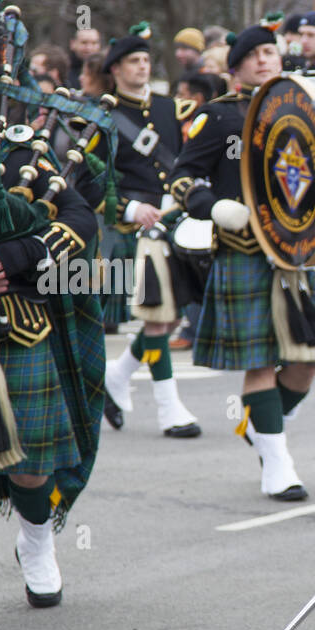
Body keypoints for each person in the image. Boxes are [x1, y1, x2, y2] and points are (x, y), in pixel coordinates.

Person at [0, 0, 105, 610]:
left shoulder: (17, 151)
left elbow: (81, 221)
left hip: (17, 325)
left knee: (29, 462)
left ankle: (35, 539)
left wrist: (16, 255)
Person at [168, 24, 315, 500]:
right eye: (253, 54)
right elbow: (183, 178)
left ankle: (260, 425)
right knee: (259, 362)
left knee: (307, 362)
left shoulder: (305, 106)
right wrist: (213, 206)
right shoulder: (218, 118)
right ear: (235, 66)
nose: (264, 59)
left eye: (270, 51)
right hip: (244, 250)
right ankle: (277, 462)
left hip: (298, 252)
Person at [99, 25, 201, 436]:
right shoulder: (101, 118)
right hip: (136, 228)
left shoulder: (172, 109)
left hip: (176, 219)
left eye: (146, 61)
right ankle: (168, 409)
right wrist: (129, 206)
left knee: (171, 316)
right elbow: (90, 183)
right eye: (133, 62)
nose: (142, 67)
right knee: (159, 318)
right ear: (116, 69)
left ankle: (118, 375)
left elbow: (187, 162)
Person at [67, 25, 101, 91]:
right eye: (84, 43)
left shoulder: (106, 72)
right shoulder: (65, 71)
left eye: (94, 43)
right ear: (72, 44)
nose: (89, 48)